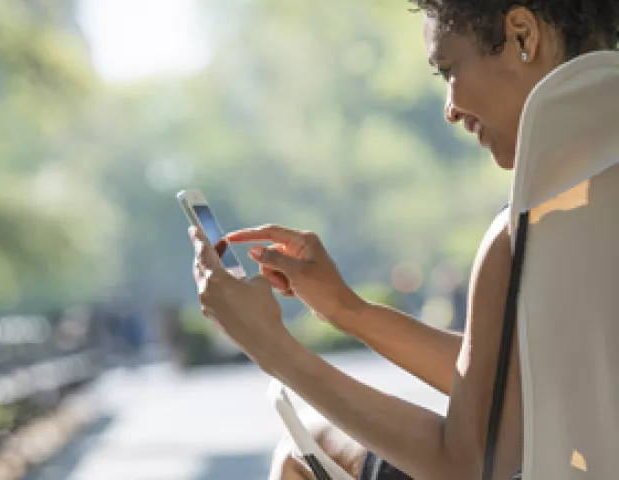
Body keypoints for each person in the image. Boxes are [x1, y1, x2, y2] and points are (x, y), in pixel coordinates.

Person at [188, 2, 619, 479]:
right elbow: (513, 380)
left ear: (522, 35)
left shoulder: (521, 235)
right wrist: (349, 311)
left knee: (299, 447)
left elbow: (467, 466)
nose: (450, 110)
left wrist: (272, 348)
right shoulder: (587, 203)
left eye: (448, 69)